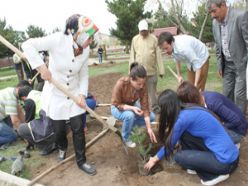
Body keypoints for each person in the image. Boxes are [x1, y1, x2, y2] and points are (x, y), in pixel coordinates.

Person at [22, 14, 98, 175]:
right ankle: (62, 146)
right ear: (78, 34)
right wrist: (42, 68)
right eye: (89, 37)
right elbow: (27, 45)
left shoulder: (85, 50)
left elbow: (83, 74)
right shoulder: (57, 39)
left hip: (74, 93)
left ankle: (81, 161)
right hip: (56, 94)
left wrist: (82, 95)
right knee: (59, 130)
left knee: (78, 128)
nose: (91, 41)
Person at [144, 89, 239, 186]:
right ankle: (198, 164)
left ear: (167, 108)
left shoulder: (182, 119)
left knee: (179, 157)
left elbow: (170, 145)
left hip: (225, 163)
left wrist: (154, 159)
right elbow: (178, 136)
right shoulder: (189, 109)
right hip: (231, 155)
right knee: (184, 135)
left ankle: (213, 176)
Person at [207, 0, 248, 114]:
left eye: (214, 11)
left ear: (223, 5)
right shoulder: (215, 23)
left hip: (241, 64)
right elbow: (218, 46)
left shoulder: (240, 16)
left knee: (239, 95)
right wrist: (220, 65)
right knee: (226, 94)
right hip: (227, 65)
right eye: (211, 12)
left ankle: (240, 124)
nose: (213, 15)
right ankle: (230, 118)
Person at [177, 81, 248, 145]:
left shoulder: (213, 103)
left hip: (237, 131)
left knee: (205, 141)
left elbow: (236, 120)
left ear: (190, 101)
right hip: (226, 126)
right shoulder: (200, 100)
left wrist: (218, 127)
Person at [111, 62, 157, 148]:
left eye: (143, 83)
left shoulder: (143, 86)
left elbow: (145, 107)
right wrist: (132, 108)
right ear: (131, 79)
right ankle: (125, 137)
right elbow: (116, 104)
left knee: (152, 117)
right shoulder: (121, 84)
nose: (141, 86)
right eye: (139, 84)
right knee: (130, 115)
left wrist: (149, 128)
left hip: (133, 105)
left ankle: (129, 127)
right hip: (117, 108)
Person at [130, 19, 165, 114]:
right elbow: (132, 55)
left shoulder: (154, 39)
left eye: (145, 30)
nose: (143, 32)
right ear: (139, 30)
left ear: (148, 29)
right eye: (142, 31)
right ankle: (137, 108)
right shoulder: (135, 39)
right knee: (137, 91)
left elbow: (158, 55)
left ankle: (155, 108)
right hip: (138, 73)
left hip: (151, 72)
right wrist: (131, 70)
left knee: (152, 92)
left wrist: (161, 70)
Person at [17, 87, 57, 156]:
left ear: (23, 97)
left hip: (51, 127)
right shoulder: (39, 93)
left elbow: (28, 121)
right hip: (63, 123)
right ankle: (56, 140)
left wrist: (28, 141)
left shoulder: (29, 101)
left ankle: (48, 146)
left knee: (21, 129)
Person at [0, 81, 29, 146]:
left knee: (13, 129)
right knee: (12, 136)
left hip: (2, 117)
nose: (25, 97)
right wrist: (25, 137)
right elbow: (15, 121)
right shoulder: (11, 98)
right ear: (18, 88)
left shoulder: (12, 91)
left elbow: (20, 112)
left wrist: (27, 128)